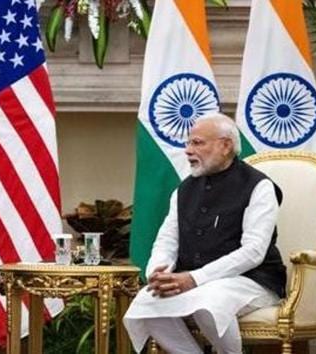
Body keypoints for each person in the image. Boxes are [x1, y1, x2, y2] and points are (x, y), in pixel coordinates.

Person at [123, 113, 287, 354]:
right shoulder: (184, 189)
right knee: (147, 302)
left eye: (197, 143)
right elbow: (168, 239)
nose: (188, 150)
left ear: (225, 145)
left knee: (209, 302)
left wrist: (195, 278)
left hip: (253, 280)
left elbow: (253, 252)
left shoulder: (259, 186)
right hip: (197, 281)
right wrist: (159, 271)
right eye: (188, 143)